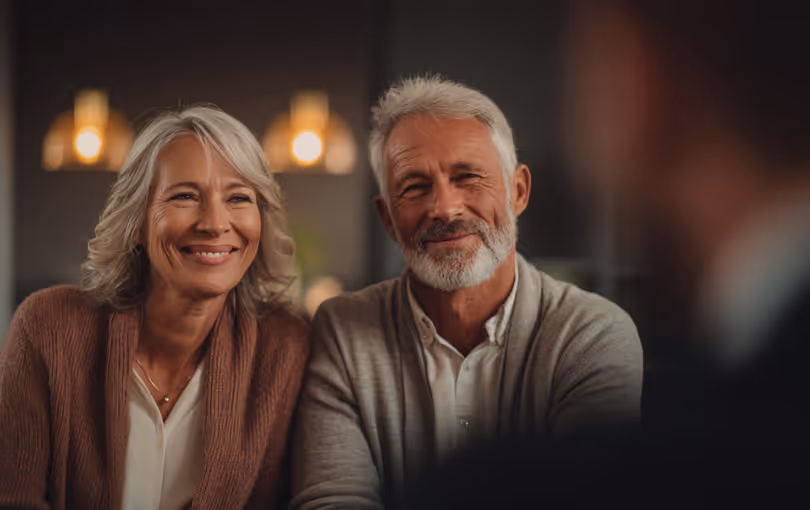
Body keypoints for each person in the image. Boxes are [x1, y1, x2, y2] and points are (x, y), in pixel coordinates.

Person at [290, 76, 643, 510]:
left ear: (518, 192)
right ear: (387, 218)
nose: (445, 208)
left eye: (468, 177)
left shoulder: (592, 333)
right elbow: (334, 501)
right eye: (415, 186)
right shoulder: (342, 330)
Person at [0, 106, 310, 509]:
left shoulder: (285, 347)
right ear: (137, 223)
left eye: (238, 198)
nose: (215, 223)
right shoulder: (46, 326)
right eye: (184, 196)